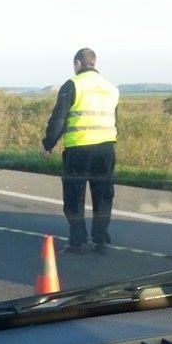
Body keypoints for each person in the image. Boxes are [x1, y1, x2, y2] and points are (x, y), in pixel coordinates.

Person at [42, 48, 119, 255]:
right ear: (94, 63)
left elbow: (59, 119)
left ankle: (77, 242)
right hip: (105, 149)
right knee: (103, 196)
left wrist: (48, 144)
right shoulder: (111, 88)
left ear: (78, 63)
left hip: (78, 149)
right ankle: (101, 241)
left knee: (74, 197)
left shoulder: (72, 85)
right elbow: (114, 119)